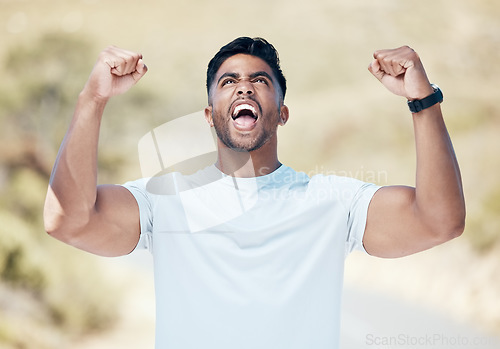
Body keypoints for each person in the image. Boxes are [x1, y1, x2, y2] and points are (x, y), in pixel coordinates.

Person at [44, 37, 465, 348]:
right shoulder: (162, 201)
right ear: (210, 116)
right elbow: (68, 220)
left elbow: (439, 221)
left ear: (282, 113)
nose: (244, 87)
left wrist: (423, 100)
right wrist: (92, 99)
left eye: (259, 80)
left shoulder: (333, 201)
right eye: (229, 81)